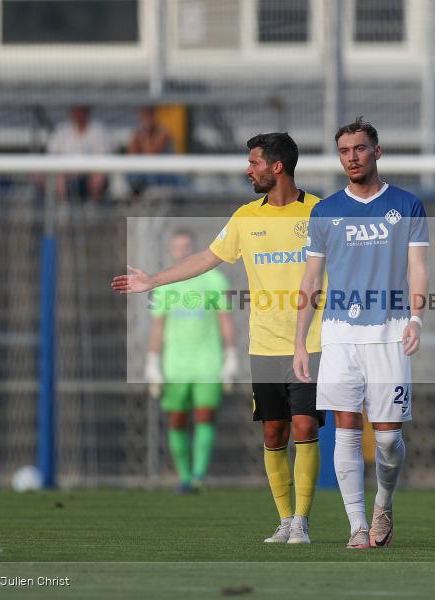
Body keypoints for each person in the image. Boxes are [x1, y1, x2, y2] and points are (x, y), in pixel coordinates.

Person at [112, 132, 324, 544]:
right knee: (273, 433)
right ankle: (284, 520)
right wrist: (153, 280)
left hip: (311, 343)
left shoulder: (319, 213)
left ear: (276, 166)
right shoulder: (246, 217)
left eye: (254, 163)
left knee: (304, 427)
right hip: (263, 345)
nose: (248, 170)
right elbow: (206, 258)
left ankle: (302, 520)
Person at [293, 117, 429, 549]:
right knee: (346, 427)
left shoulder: (407, 205)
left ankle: (383, 503)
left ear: (377, 152)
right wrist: (301, 340)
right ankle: (356, 528)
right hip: (338, 334)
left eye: (359, 149)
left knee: (388, 439)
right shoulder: (325, 211)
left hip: (389, 332)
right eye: (344, 151)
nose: (352, 157)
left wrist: (417, 318)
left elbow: (418, 269)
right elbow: (311, 280)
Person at [147, 228, 237, 493]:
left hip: (207, 360)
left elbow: (225, 321)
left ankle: (198, 476)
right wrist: (152, 361)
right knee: (177, 419)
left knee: (205, 416)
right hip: (175, 363)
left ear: (193, 248)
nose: (182, 251)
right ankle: (184, 477)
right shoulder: (165, 285)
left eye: (186, 246)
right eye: (177, 247)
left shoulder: (214, 281)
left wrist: (230, 356)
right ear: (171, 250)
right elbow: (158, 326)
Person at [46, 105, 113, 202]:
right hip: (68, 176)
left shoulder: (99, 130)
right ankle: (63, 213)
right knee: (56, 180)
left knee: (99, 178)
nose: (78, 114)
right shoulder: (61, 130)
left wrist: (93, 172)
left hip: (90, 175)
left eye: (81, 110)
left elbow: (105, 158)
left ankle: (93, 212)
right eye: (75, 110)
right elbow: (51, 155)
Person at [126, 106, 175, 196]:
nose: (146, 120)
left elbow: (151, 154)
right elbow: (131, 154)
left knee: (150, 175)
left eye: (148, 116)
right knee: (132, 175)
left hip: (163, 174)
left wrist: (145, 136)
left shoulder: (163, 132)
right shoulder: (137, 134)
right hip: (145, 173)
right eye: (143, 117)